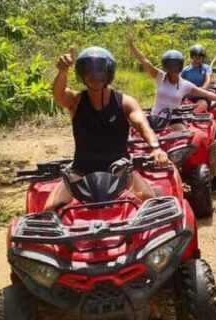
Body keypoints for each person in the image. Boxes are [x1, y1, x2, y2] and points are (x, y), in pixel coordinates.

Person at [45, 45, 169, 209]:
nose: (94, 75)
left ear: (109, 73)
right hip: (81, 168)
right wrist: (62, 71)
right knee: (50, 208)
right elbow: (59, 94)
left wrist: (155, 147)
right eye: (88, 70)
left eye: (100, 70)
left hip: (119, 166)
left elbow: (142, 125)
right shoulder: (75, 101)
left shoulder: (125, 102)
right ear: (82, 74)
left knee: (149, 200)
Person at [126, 32, 216, 123]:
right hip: (155, 118)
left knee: (188, 140)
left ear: (179, 66)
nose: (172, 68)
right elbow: (145, 61)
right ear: (165, 66)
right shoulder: (160, 76)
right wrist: (132, 46)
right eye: (169, 65)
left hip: (174, 120)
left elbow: (207, 94)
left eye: (175, 65)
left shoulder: (185, 84)